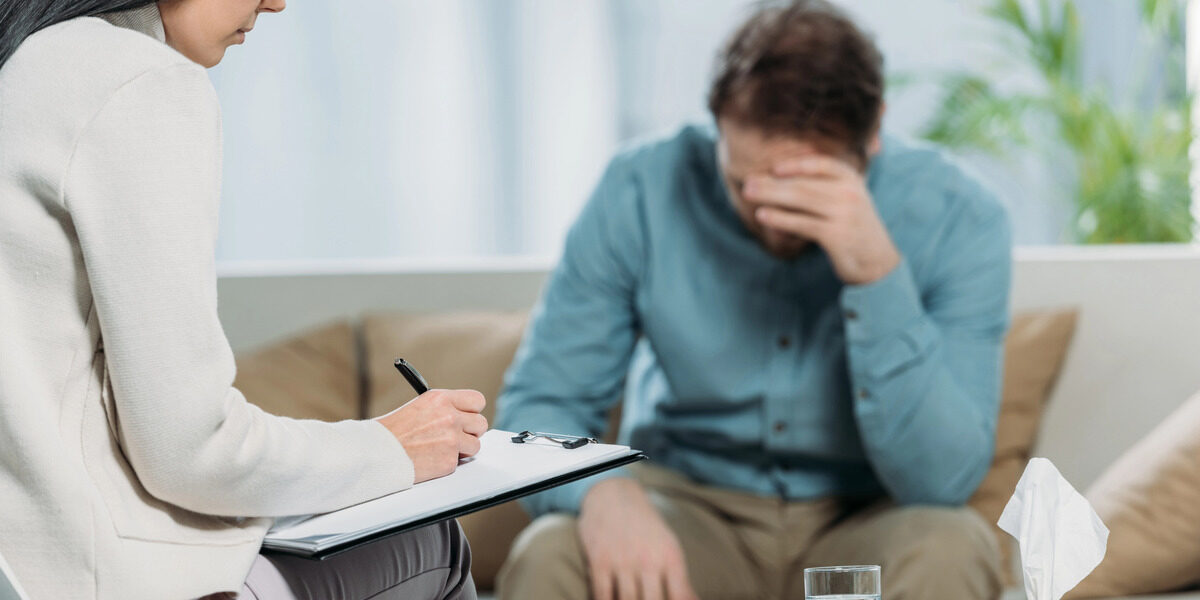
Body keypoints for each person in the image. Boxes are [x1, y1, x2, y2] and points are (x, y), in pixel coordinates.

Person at [495, 1, 1012, 599]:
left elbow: (942, 481)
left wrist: (875, 273)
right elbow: (539, 406)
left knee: (954, 546)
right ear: (717, 126)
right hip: (688, 512)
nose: (771, 215)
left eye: (805, 187)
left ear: (872, 137)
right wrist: (598, 490)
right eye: (745, 185)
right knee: (552, 552)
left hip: (865, 521)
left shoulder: (962, 218)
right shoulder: (638, 190)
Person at [0, 1, 485, 598]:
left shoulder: (25, 61)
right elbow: (191, 451)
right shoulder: (138, 81)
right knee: (433, 540)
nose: (276, 0)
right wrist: (391, 448)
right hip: (105, 580)